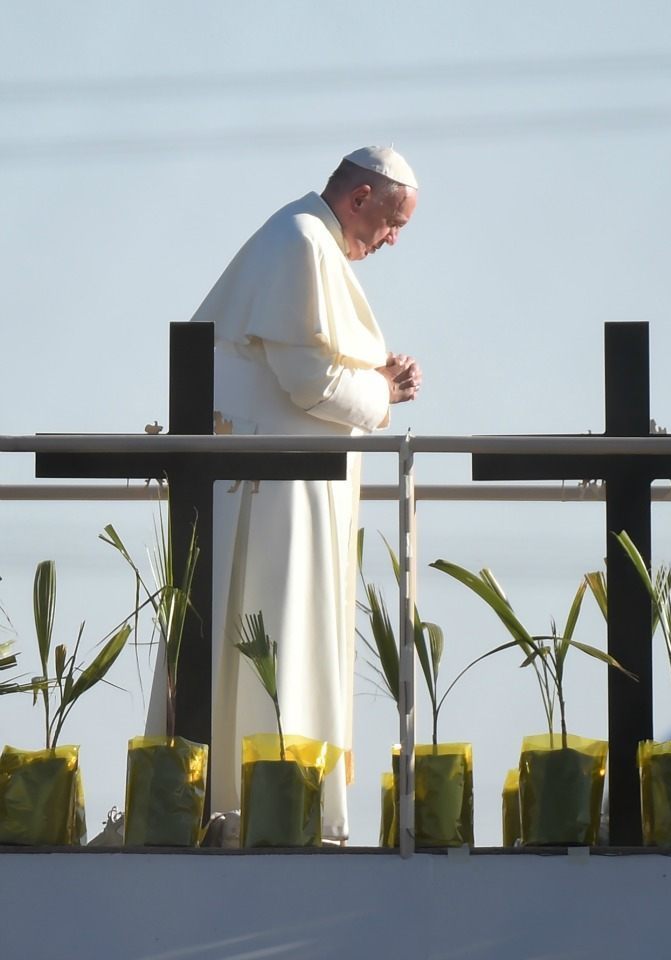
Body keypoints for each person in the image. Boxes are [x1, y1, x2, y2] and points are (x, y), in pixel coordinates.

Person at [148, 147, 422, 842]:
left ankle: (269, 809)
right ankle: (261, 814)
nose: (393, 241)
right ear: (358, 198)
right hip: (270, 491)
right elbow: (313, 385)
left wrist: (374, 376)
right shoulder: (300, 242)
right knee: (276, 635)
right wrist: (383, 393)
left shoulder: (309, 242)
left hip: (287, 486)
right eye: (390, 222)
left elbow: (317, 360)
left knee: (280, 641)